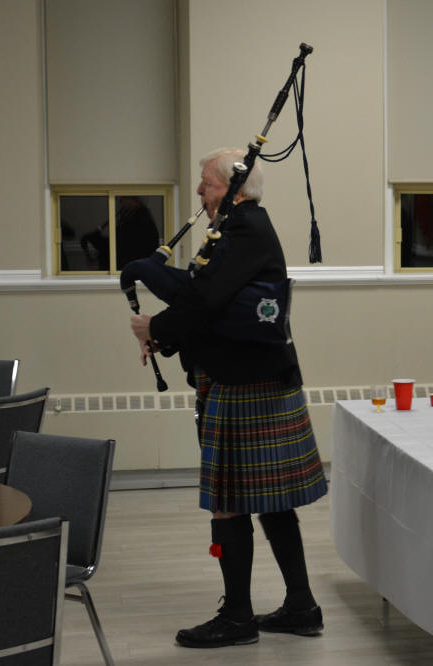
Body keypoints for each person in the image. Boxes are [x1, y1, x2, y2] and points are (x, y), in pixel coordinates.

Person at [130, 147, 328, 648]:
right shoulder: (237, 228)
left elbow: (204, 301)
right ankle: (301, 607)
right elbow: (208, 297)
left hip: (245, 384)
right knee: (273, 502)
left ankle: (238, 618)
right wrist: (159, 314)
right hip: (252, 378)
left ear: (235, 189)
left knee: (228, 503)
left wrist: (155, 327)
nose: (200, 191)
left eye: (208, 183)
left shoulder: (243, 228)